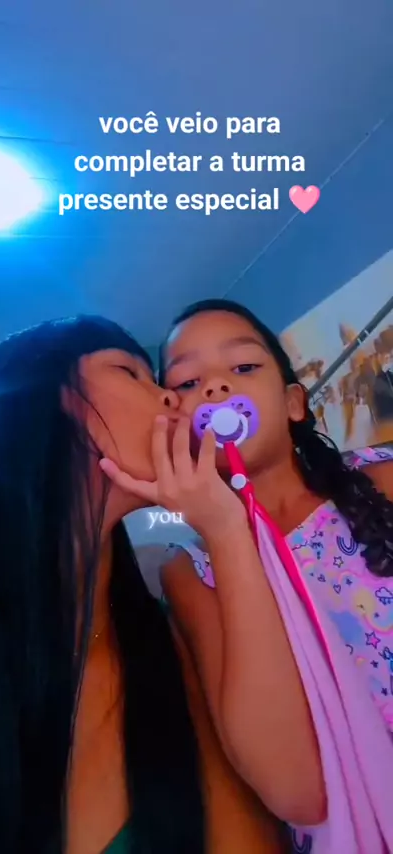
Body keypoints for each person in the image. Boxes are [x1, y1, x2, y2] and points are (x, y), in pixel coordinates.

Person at [0, 316, 284, 854]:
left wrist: (226, 525)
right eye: (130, 372)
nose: (174, 399)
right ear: (42, 402)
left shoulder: (168, 638)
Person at [100, 299, 393, 841]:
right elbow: (293, 792)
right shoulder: (190, 574)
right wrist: (225, 529)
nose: (216, 387)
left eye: (243, 366)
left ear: (293, 403)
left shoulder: (383, 481)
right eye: (187, 383)